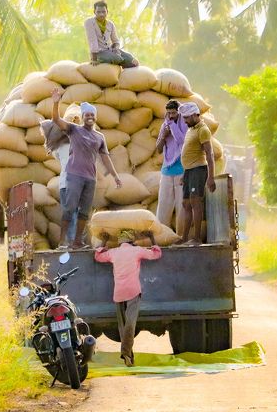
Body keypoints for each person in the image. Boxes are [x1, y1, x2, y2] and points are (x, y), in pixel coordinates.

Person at [51, 88, 122, 249]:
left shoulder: (99, 137)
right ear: (82, 117)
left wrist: (116, 176)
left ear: (95, 117)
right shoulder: (74, 130)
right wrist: (56, 102)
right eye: (87, 115)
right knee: (69, 208)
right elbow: (56, 119)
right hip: (74, 175)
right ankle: (62, 242)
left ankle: (77, 241)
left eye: (92, 115)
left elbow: (105, 158)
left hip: (90, 178)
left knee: (84, 211)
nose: (89, 117)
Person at [94, 232, 162, 366]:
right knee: (130, 324)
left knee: (123, 326)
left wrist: (104, 241)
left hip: (118, 293)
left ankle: (128, 356)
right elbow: (156, 254)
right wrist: (152, 238)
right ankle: (126, 353)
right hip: (133, 291)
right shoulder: (137, 251)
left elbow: (98, 256)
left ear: (120, 242)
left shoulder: (114, 252)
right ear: (132, 241)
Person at [41, 106, 81, 245]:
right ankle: (75, 242)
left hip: (64, 184)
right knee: (77, 214)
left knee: (70, 214)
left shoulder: (58, 148)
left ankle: (70, 243)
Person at [177, 103, 216, 245]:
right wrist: (184, 174)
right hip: (189, 172)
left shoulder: (203, 130)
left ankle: (197, 238)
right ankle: (185, 237)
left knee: (195, 202)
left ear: (195, 115)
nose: (185, 121)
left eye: (187, 118)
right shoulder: (191, 129)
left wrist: (211, 177)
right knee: (186, 204)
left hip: (199, 170)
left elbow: (210, 154)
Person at [155, 100, 188, 233]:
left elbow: (182, 141)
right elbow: (158, 149)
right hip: (167, 171)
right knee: (163, 205)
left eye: (173, 113)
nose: (171, 116)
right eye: (169, 113)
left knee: (182, 207)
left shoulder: (185, 125)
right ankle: (161, 235)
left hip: (182, 170)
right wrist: (164, 135)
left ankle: (181, 237)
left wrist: (173, 127)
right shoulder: (165, 126)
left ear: (179, 113)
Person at [83, 0, 139, 68]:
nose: (101, 14)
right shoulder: (89, 22)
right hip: (99, 53)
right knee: (116, 58)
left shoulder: (110, 24)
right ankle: (121, 62)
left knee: (133, 61)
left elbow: (116, 41)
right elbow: (92, 41)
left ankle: (124, 63)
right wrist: (94, 60)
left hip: (111, 50)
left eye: (103, 12)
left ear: (107, 12)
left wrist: (116, 48)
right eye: (98, 12)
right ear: (94, 12)